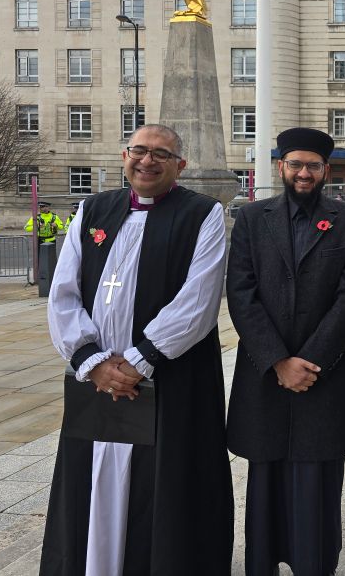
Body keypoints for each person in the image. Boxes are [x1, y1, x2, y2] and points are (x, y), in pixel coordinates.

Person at [41, 124, 233, 575]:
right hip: (97, 382)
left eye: (161, 155)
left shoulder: (202, 214)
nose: (147, 161)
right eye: (139, 151)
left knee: (164, 484)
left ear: (180, 165)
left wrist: (138, 361)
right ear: (124, 156)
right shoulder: (92, 210)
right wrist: (92, 362)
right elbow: (62, 293)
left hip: (168, 379)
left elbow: (199, 301)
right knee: (89, 479)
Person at [226, 127, 345, 576]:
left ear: (326, 170)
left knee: (317, 478)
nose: (303, 173)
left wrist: (310, 362)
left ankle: (315, 563)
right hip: (265, 373)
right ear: (281, 167)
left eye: (313, 165)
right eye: (295, 164)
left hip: (323, 375)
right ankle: (263, 563)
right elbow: (241, 293)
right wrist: (277, 361)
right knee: (266, 477)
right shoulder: (253, 219)